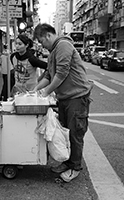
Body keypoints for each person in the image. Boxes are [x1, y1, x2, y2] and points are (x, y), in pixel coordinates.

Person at [33, 23, 93, 183]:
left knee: (75, 133)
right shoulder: (53, 52)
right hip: (65, 98)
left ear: (47, 35)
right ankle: (67, 163)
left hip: (76, 97)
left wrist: (45, 92)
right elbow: (48, 75)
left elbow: (62, 73)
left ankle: (75, 167)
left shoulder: (64, 45)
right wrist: (34, 90)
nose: (41, 45)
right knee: (65, 132)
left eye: (41, 41)